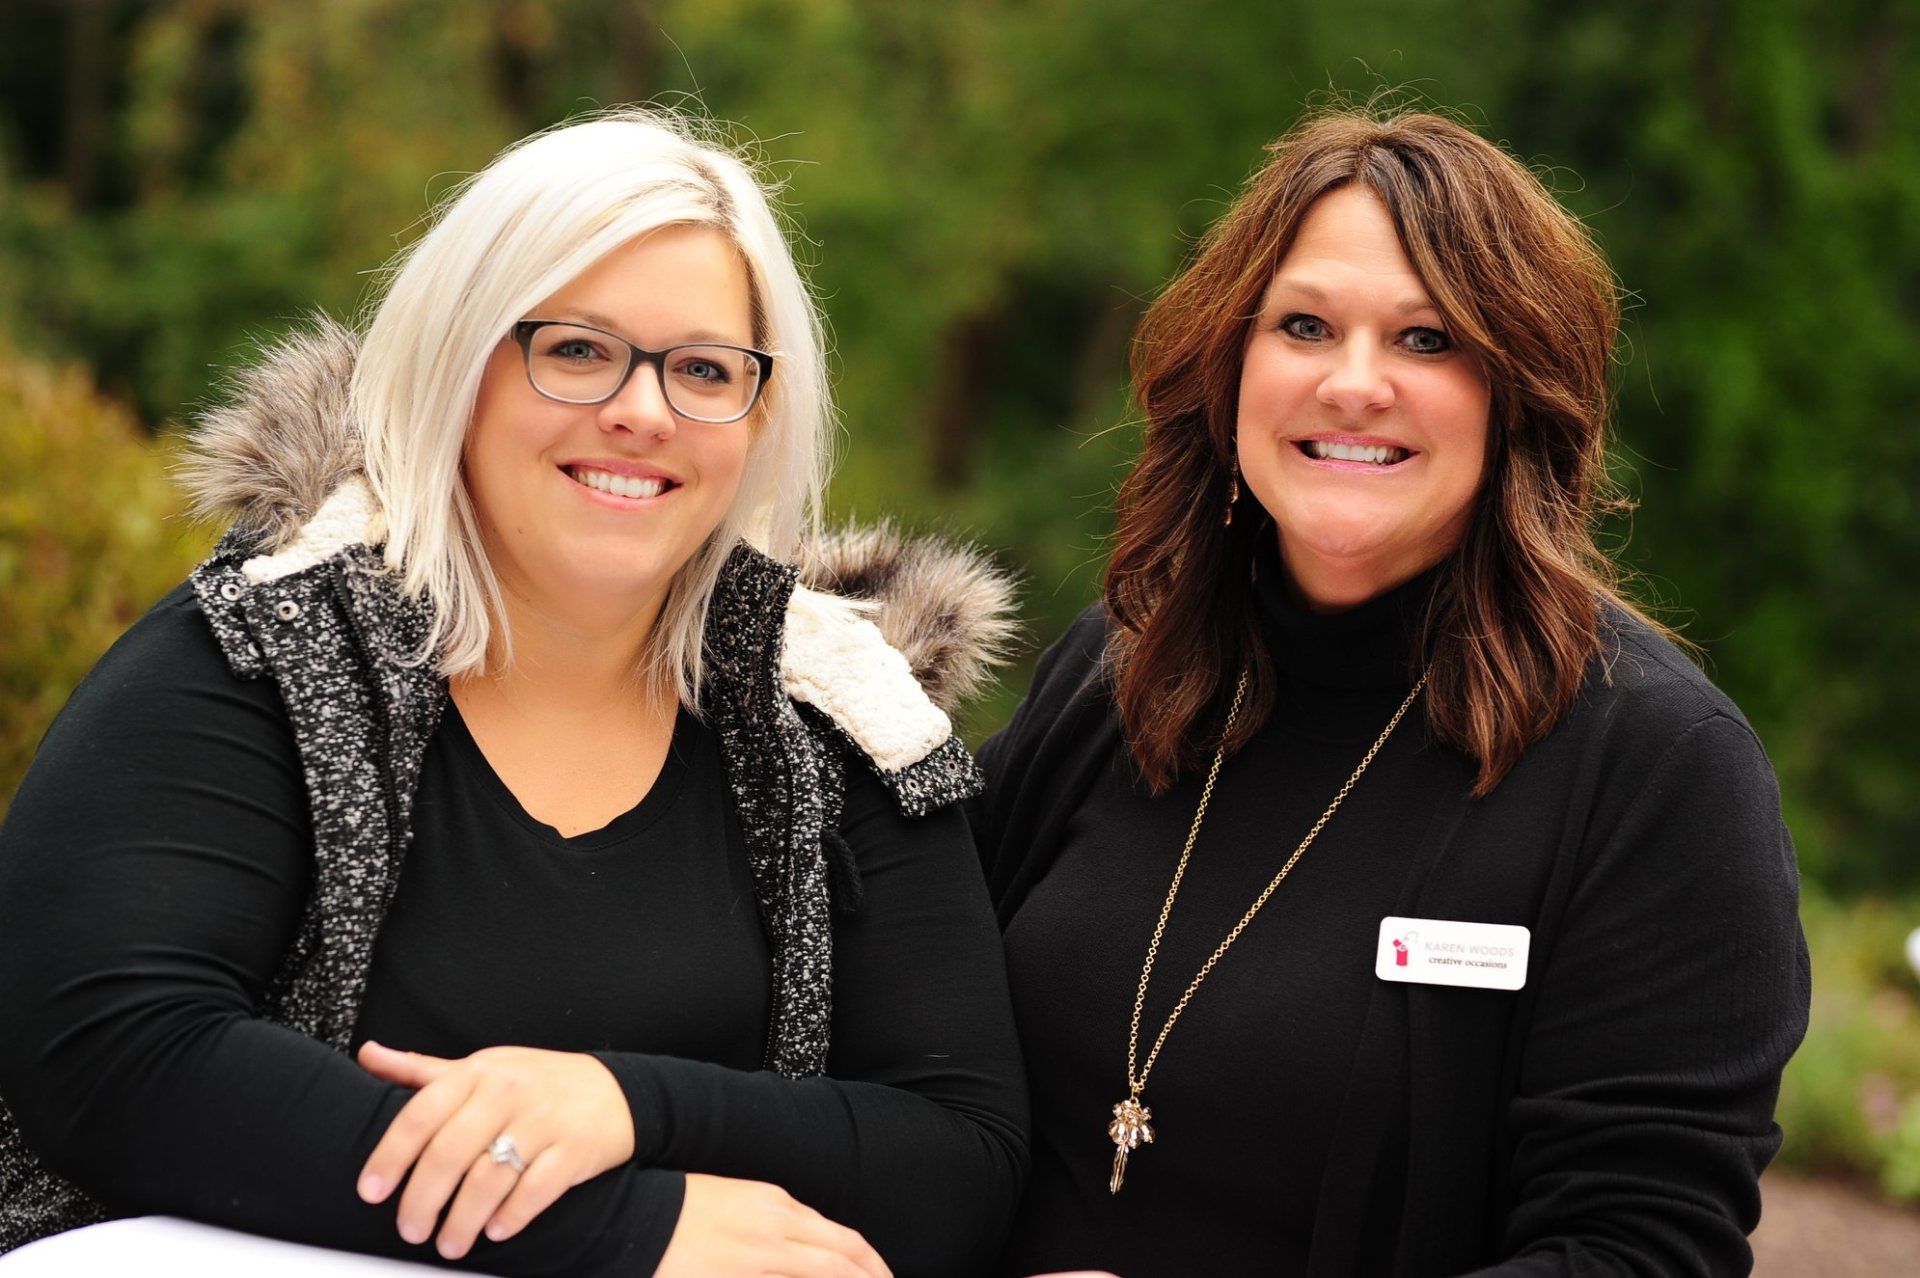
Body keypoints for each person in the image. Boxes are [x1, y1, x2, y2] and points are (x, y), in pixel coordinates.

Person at [0, 109, 1027, 1277]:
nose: (642, 411)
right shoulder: (262, 650)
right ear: (458, 362)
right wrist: (617, 1230)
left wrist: (623, 1107)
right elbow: (109, 1055)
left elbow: (964, 1158)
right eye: (578, 349)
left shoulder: (848, 723)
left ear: (758, 416)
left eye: (702, 369)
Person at [971, 108, 1810, 1276]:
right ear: (1230, 369)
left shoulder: (1659, 769)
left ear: (1517, 392)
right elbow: (909, 1061)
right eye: (1305, 325)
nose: (1354, 384)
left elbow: (1641, 1252)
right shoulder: (1114, 672)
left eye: (1426, 341)